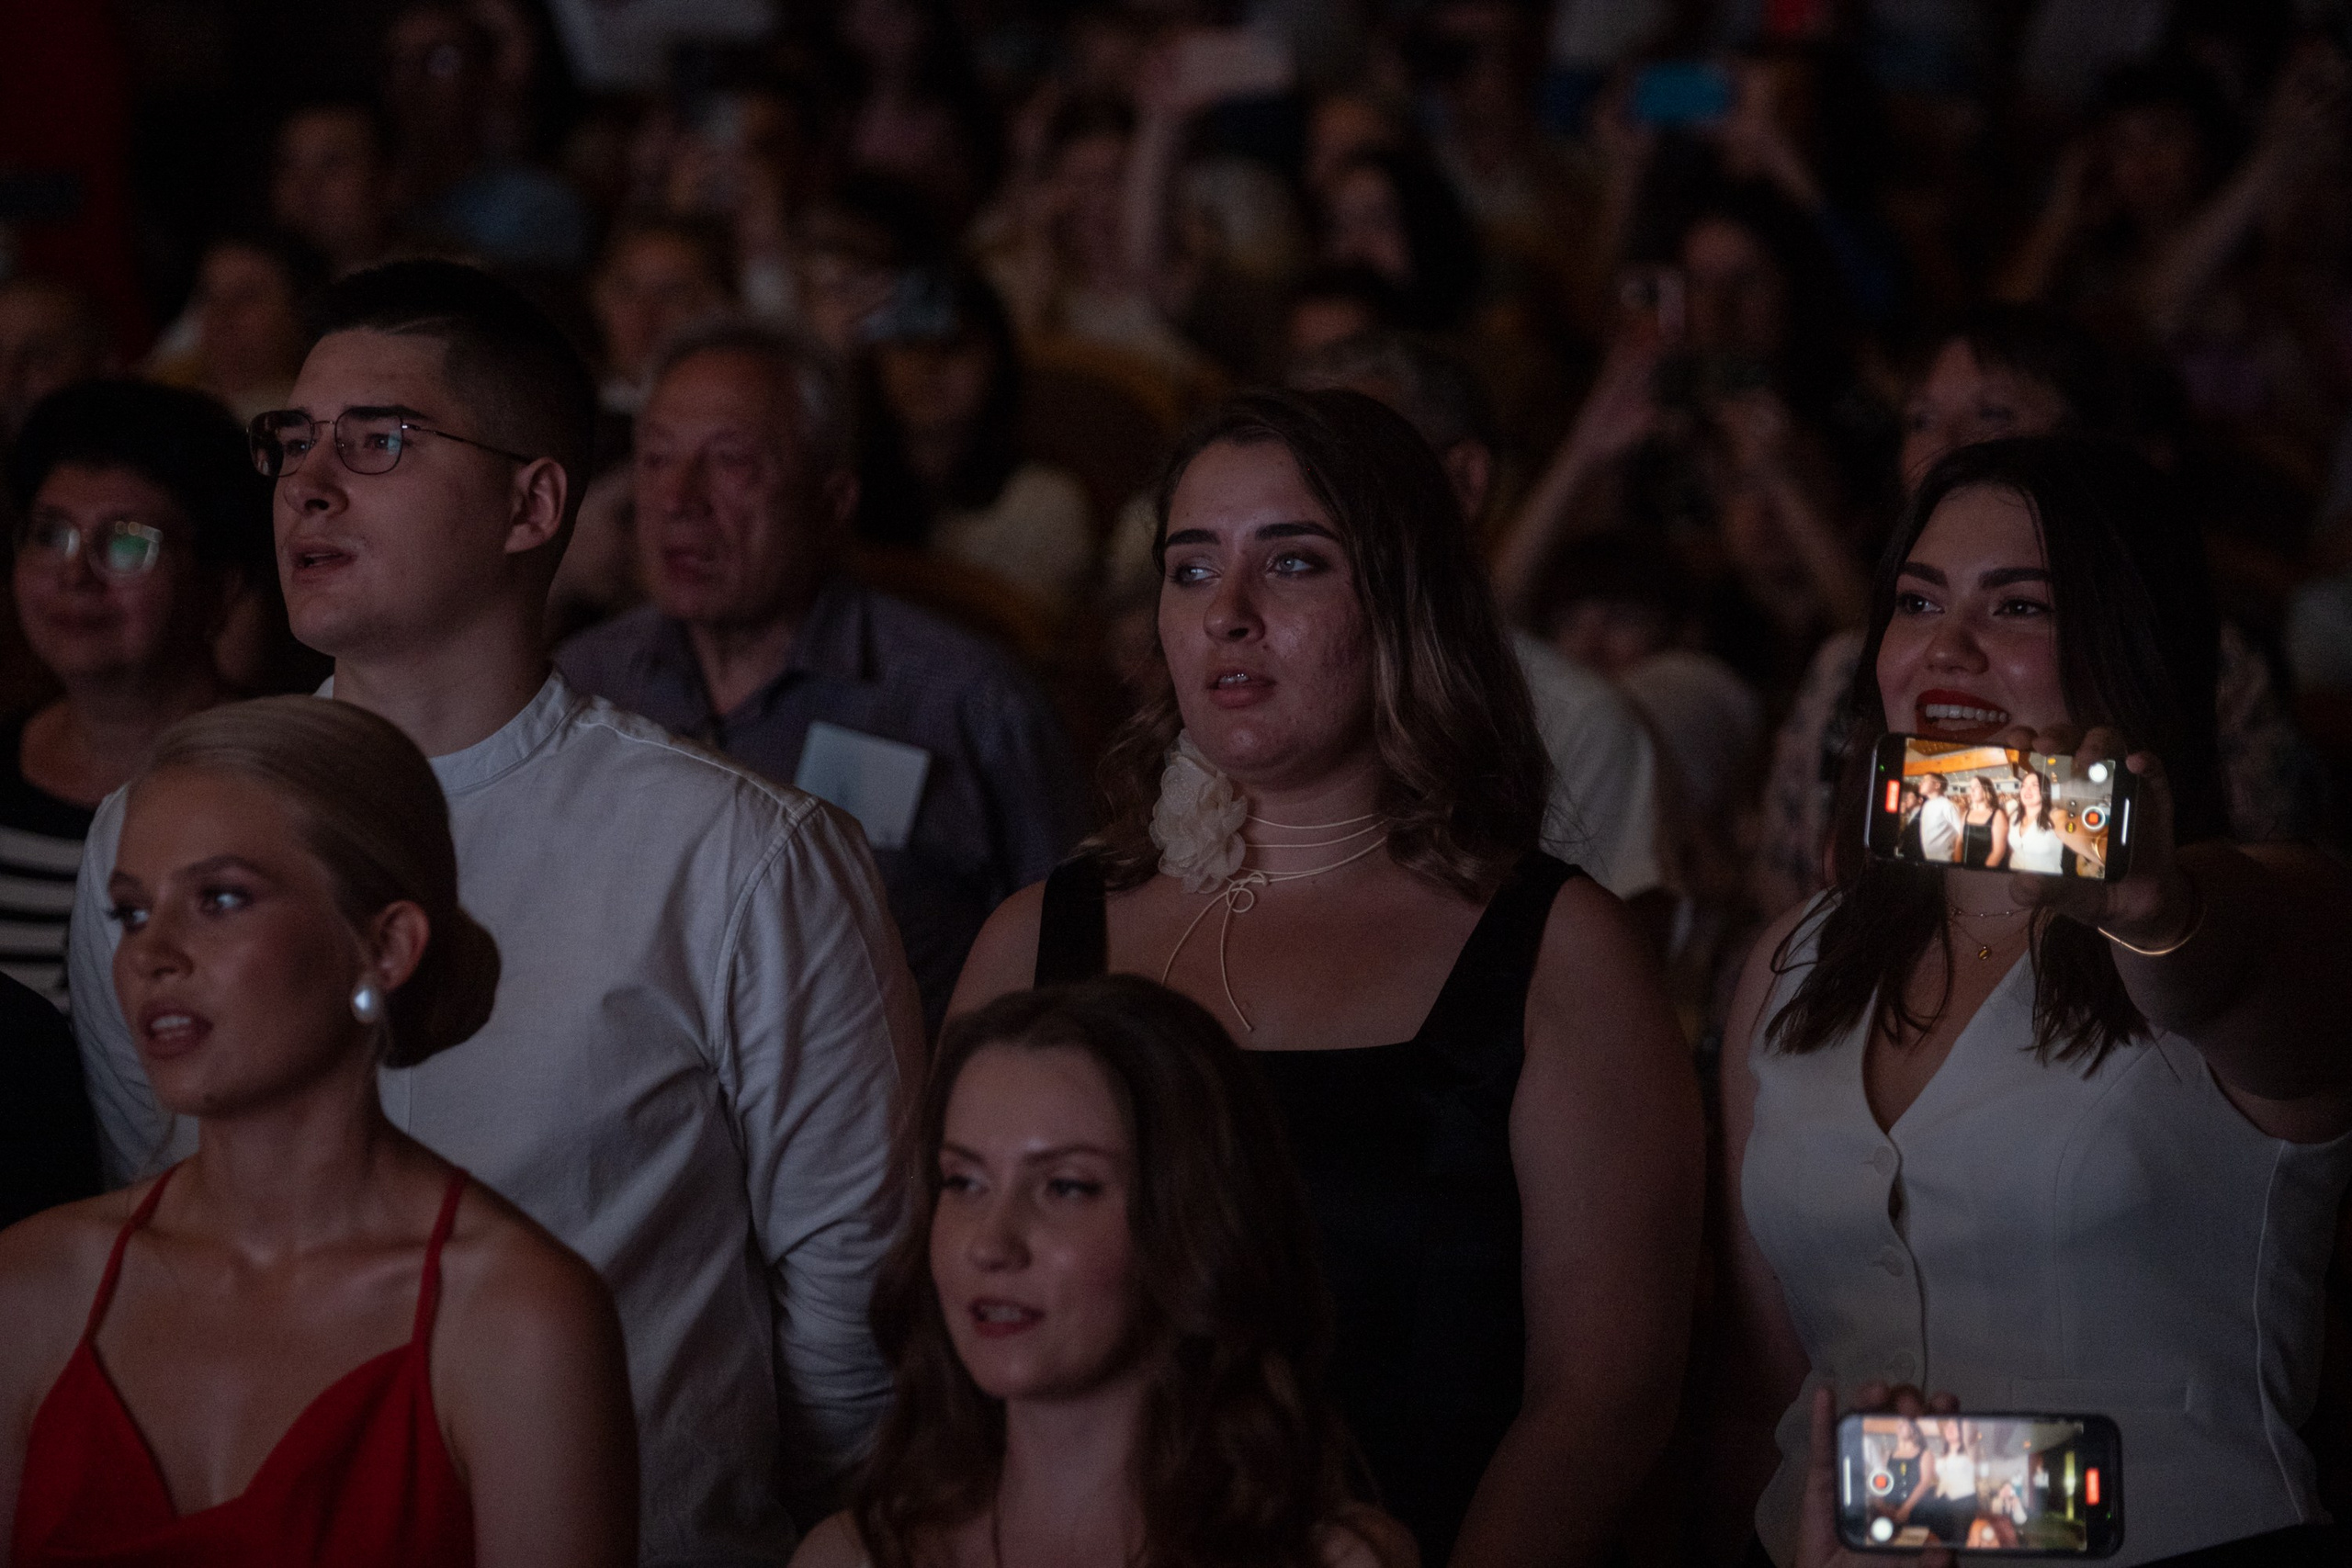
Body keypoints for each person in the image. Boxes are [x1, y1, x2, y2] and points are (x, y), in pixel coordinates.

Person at [67, 261, 925, 1563]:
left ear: (534, 502)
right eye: (293, 441)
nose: (309, 480)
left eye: (381, 440)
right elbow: (149, 1196)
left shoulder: (738, 850)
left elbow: (850, 1314)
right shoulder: (151, 835)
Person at [953, 389, 1702, 1566]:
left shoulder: (1557, 950)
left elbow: (1603, 1399)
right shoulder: (1032, 941)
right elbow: (954, 1343)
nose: (1228, 615)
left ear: (1403, 603)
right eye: (1191, 571)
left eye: (1291, 564)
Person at [1705, 436, 2352, 1567]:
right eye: (1916, 601)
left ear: (2126, 645)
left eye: (2017, 607)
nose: (1947, 647)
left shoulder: (2270, 903)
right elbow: (1773, 1400)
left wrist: (2144, 900)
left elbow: (2215, 963)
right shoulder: (1790, 963)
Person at [1, 696, 636, 1564]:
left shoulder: (519, 1319)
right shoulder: (32, 1285)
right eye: (132, 912)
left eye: (219, 898)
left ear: (385, 946)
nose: (154, 954)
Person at [556, 320, 1084, 1031]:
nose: (680, 498)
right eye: (656, 459)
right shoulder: (582, 687)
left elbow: (1072, 982)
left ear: (833, 501)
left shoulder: (966, 701)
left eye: (732, 460)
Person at [790, 976, 1414, 1568]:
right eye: (964, 1181)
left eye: (1065, 1186)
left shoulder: (1337, 1559)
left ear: (1191, 1220)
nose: (991, 1243)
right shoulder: (847, 1556)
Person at [1285, 330, 1675, 929]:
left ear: (1463, 479)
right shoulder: (1257, 692)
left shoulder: (1574, 723)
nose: (1310, 506)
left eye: (1354, 466)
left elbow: (1598, 987)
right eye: (1297, 472)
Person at [4, 380, 269, 1005]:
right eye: (49, 535)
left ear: (221, 584)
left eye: (126, 542)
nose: (76, 574)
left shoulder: (280, 776)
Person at [853, 265, 1096, 615]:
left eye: (953, 345)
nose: (929, 364)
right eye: (910, 343)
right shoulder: (842, 494)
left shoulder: (1044, 506)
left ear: (995, 361)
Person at [1910, 773, 1962, 864]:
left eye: (1925, 781)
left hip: (1944, 861)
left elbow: (1961, 833)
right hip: (1927, 860)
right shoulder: (1927, 805)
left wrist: (1957, 861)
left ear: (1937, 785)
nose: (1920, 783)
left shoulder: (1947, 806)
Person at [1957, 776, 2007, 869]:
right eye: (1970, 787)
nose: (1972, 790)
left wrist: (1982, 873)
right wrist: (1957, 866)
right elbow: (1959, 842)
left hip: (1987, 869)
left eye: (1976, 786)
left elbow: (1998, 852)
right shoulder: (1966, 814)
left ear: (1986, 790)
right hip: (1966, 867)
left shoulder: (1998, 815)